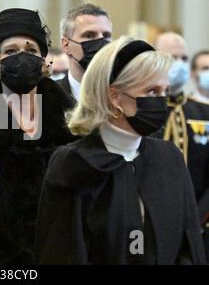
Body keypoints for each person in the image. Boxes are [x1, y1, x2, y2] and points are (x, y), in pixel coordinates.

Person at [36, 37, 206, 264]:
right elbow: (62, 250)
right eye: (152, 91)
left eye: (164, 92)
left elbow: (188, 243)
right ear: (115, 96)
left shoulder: (168, 157)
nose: (161, 102)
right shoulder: (73, 164)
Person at [0, 8, 67, 264]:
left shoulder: (66, 113)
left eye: (31, 51)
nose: (22, 58)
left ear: (43, 60)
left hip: (55, 247)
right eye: (11, 51)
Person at [155, 33, 209, 257]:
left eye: (184, 58)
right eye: (171, 57)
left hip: (197, 223)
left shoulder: (204, 113)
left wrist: (197, 218)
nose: (179, 64)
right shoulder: (141, 110)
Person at [57, 3, 113, 142]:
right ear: (66, 45)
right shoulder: (48, 99)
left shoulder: (124, 97)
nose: (101, 42)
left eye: (106, 36)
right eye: (89, 35)